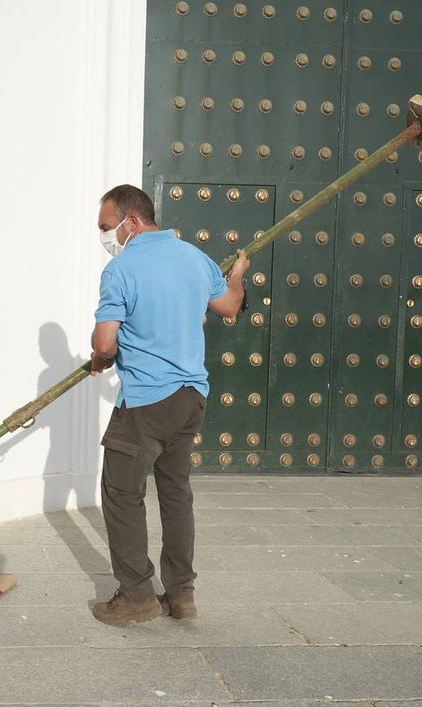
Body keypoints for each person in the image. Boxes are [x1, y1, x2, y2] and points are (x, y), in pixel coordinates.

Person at [88, 184, 248, 625]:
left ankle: (137, 595)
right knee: (175, 494)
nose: (106, 237)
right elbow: (229, 306)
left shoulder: (122, 269)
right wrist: (236, 273)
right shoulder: (195, 257)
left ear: (132, 222)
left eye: (108, 227)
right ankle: (181, 594)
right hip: (190, 400)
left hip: (145, 402)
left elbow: (105, 340)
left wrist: (100, 358)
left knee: (122, 494)